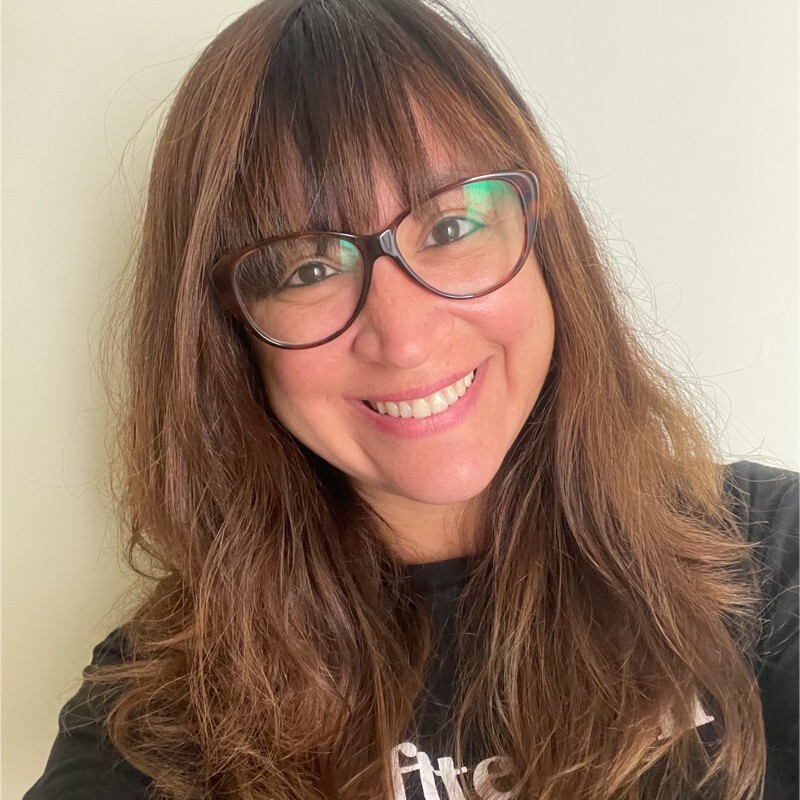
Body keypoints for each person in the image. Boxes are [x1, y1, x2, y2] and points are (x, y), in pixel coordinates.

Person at [22, 0, 798, 798]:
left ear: (543, 237)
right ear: (228, 335)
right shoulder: (160, 711)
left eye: (451, 227)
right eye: (308, 269)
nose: (404, 338)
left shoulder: (772, 562)